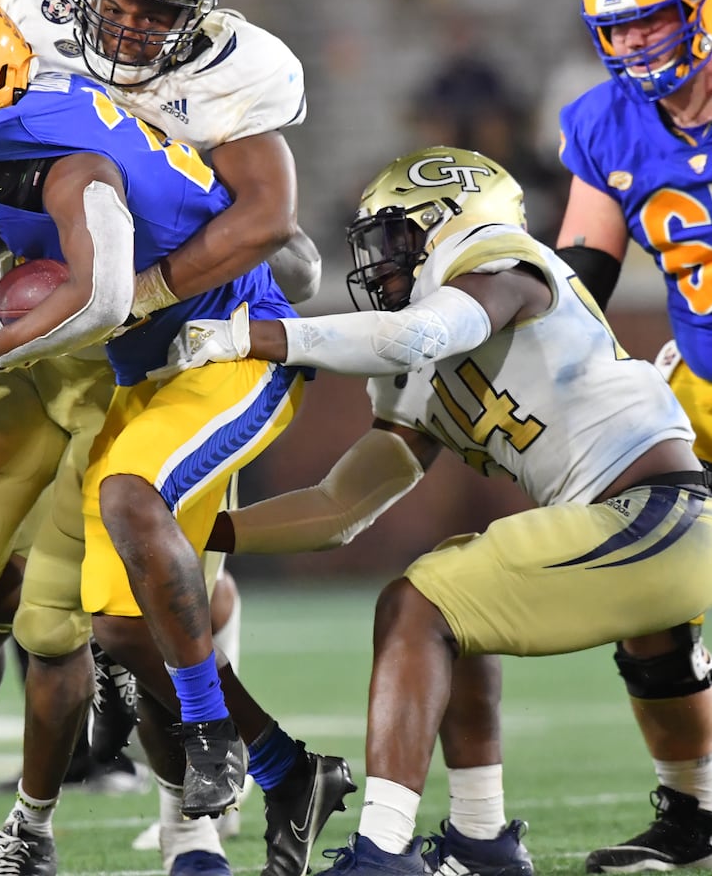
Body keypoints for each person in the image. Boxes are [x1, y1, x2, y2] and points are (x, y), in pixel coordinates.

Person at [0, 0, 337, 876]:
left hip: (156, 328)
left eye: (155, 12)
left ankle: (192, 821)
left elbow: (257, 219)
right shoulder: (27, 12)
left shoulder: (236, 73)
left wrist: (146, 288)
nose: (126, 26)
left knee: (137, 608)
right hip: (50, 300)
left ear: (202, 16)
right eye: (115, 2)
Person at [207, 144, 712, 876]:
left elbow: (421, 332)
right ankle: (482, 838)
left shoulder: (500, 260)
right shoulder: (413, 367)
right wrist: (199, 528)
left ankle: (382, 851)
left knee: (417, 605)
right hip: (630, 530)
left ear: (450, 218)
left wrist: (247, 336)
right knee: (453, 587)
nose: (379, 261)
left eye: (395, 237)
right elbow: (336, 508)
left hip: (660, 515)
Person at [554, 0, 712, 872]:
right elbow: (578, 278)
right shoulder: (604, 119)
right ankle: (690, 808)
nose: (635, 43)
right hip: (696, 383)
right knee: (639, 573)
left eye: (653, 19)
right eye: (617, 27)